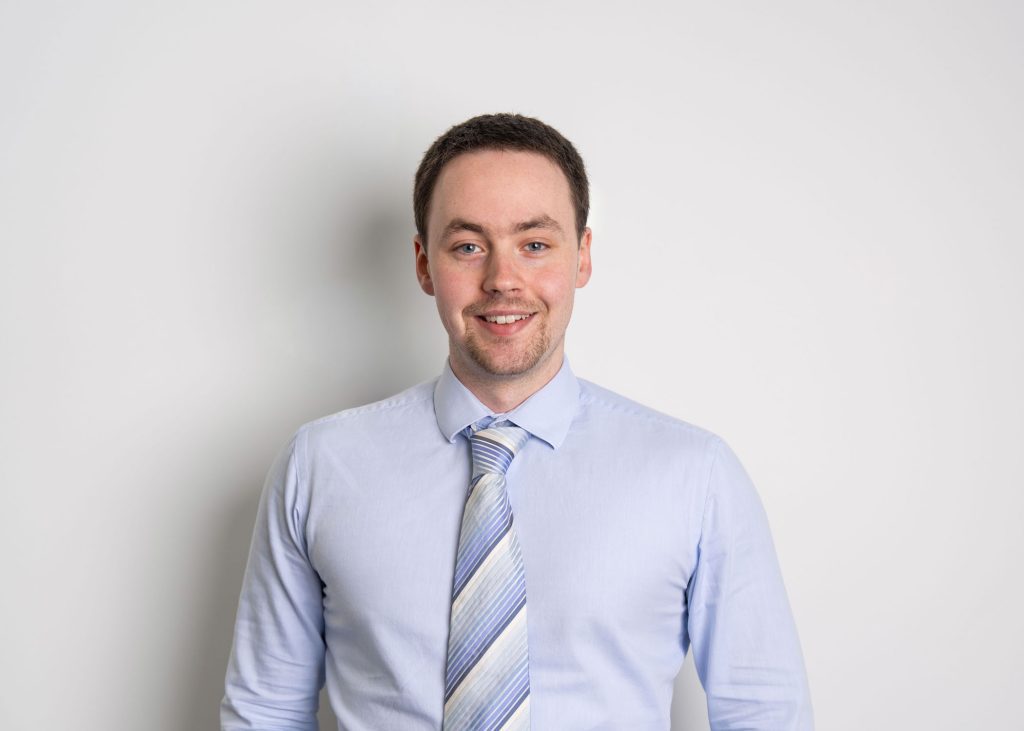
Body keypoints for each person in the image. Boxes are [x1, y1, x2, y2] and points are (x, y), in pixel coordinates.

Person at [221, 113, 813, 730]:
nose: (503, 280)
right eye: (468, 246)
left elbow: (764, 713)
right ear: (424, 264)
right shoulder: (320, 465)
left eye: (534, 244)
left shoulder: (695, 474)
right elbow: (265, 710)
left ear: (581, 257)